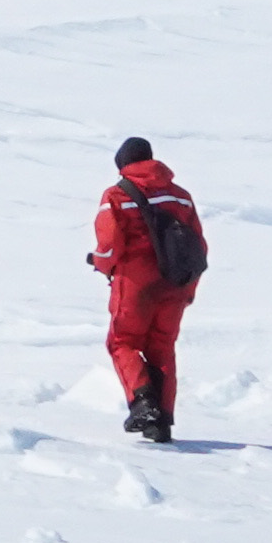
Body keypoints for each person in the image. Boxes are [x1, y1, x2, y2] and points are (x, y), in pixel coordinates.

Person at [88, 136, 204, 441]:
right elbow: (197, 246)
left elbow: (109, 246)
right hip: (175, 283)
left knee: (122, 343)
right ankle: (161, 421)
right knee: (161, 346)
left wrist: (100, 264)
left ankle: (143, 403)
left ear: (122, 164)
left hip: (135, 284)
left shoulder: (116, 195)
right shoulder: (181, 196)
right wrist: (189, 287)